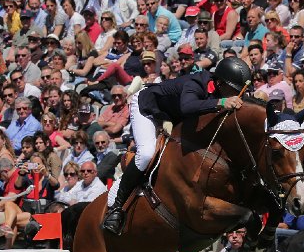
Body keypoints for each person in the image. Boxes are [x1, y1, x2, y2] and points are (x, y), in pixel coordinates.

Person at [101, 56, 253, 235]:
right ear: (219, 83)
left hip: (171, 115)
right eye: (233, 90)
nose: (235, 95)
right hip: (147, 109)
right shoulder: (196, 83)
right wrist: (221, 103)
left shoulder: (220, 90)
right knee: (147, 153)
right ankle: (116, 208)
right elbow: (188, 107)